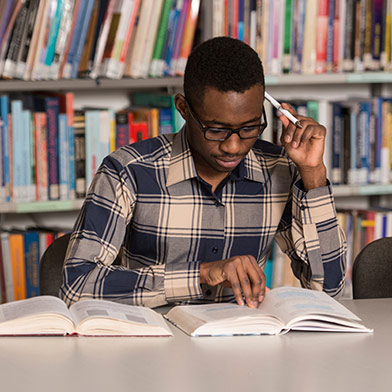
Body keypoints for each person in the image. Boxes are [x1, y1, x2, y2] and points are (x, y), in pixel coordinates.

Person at [60, 37, 346, 309]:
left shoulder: (279, 171)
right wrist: (201, 274)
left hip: (245, 345)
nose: (233, 146)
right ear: (183, 109)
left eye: (249, 128)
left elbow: (329, 290)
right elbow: (78, 285)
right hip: (155, 346)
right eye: (217, 130)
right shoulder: (128, 171)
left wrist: (312, 173)